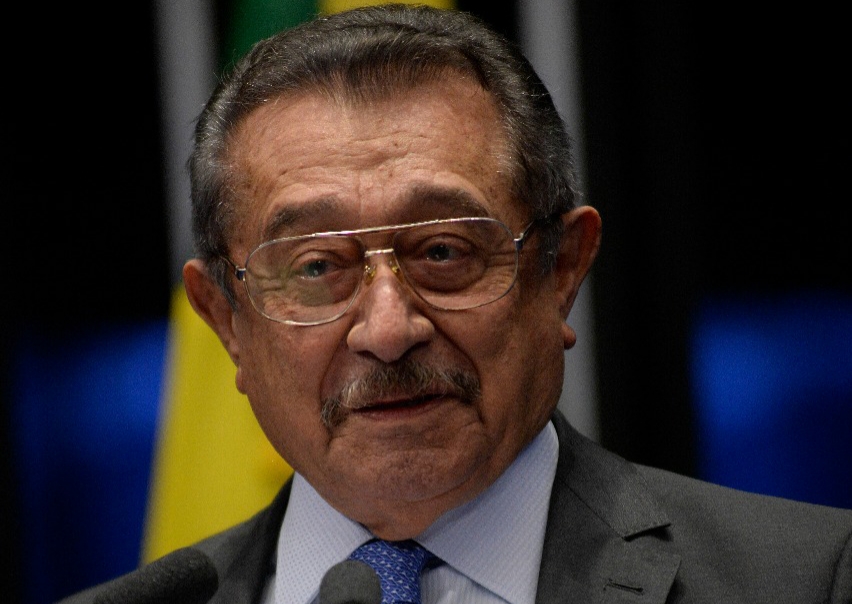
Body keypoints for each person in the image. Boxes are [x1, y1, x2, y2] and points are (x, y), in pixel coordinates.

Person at [60, 4, 851, 604]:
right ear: (226, 320)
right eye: (316, 266)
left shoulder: (806, 580)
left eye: (443, 252)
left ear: (562, 268)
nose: (388, 330)